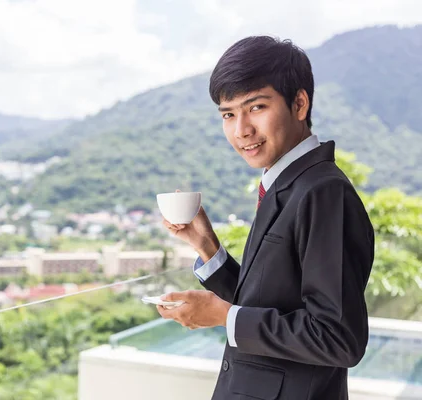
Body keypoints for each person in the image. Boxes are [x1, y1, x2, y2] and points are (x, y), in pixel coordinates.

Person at [159, 36, 375, 400]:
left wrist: (224, 316)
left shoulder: (323, 192)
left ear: (300, 103)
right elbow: (272, 302)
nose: (241, 130)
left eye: (256, 107)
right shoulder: (286, 185)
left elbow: (339, 339)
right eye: (228, 114)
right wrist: (208, 248)